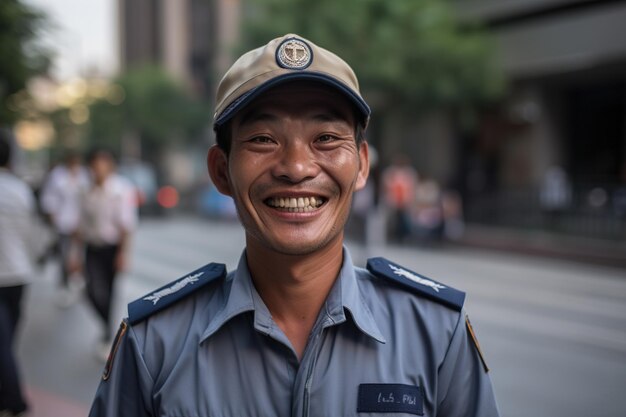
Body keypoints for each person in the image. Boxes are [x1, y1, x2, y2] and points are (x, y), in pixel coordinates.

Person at [89, 34, 499, 416]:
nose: (297, 167)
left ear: (361, 166)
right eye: (263, 139)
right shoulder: (154, 346)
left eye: (326, 138)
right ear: (220, 171)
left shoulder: (437, 334)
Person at [73, 147, 137, 360]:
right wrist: (74, 255)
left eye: (102, 165)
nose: (98, 170)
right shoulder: (85, 191)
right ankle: (107, 328)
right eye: (94, 166)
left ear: (110, 166)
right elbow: (80, 225)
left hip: (111, 249)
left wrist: (122, 254)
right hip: (92, 247)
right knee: (90, 290)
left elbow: (127, 225)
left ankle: (107, 334)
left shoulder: (121, 189)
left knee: (108, 293)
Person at [0, 130, 34, 416]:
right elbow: (27, 234)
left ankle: (14, 400)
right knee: (7, 341)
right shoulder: (20, 189)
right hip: (19, 275)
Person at [39, 150, 89, 306]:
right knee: (64, 255)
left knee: (78, 255)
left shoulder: (84, 175)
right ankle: (64, 284)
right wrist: (53, 216)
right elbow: (49, 197)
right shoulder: (58, 175)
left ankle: (76, 279)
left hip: (80, 224)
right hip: (63, 223)